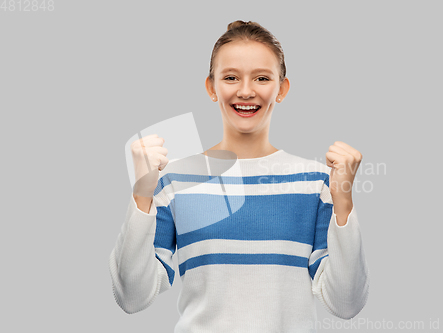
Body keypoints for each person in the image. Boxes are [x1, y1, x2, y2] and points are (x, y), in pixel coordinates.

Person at [109, 20, 370, 332]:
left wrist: (343, 201)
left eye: (262, 78)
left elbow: (346, 305)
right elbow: (132, 298)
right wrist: (141, 194)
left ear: (282, 89)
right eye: (231, 77)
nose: (246, 91)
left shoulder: (316, 182)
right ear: (211, 87)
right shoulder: (174, 179)